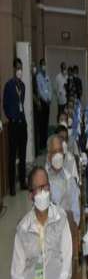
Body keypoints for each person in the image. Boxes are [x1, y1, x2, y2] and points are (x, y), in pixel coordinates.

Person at [4, 58, 28, 194]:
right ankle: (12, 186)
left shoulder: (22, 86)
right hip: (13, 124)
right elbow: (5, 105)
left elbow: (21, 103)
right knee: (12, 155)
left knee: (23, 154)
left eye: (21, 68)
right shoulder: (9, 85)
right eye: (18, 68)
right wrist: (12, 117)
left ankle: (23, 181)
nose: (20, 71)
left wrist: (20, 118)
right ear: (14, 69)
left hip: (22, 123)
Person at [45, 136, 80, 225]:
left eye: (60, 151)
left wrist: (70, 226)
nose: (58, 155)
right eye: (54, 152)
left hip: (67, 226)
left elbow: (76, 212)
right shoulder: (43, 180)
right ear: (49, 156)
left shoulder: (70, 179)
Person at [35, 59, 51, 154]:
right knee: (42, 124)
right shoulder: (38, 76)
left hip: (48, 102)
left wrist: (49, 98)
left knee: (46, 124)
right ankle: (41, 145)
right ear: (40, 66)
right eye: (43, 64)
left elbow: (50, 88)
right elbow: (40, 90)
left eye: (45, 64)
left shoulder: (47, 76)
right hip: (42, 102)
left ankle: (45, 143)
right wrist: (45, 99)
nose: (44, 66)